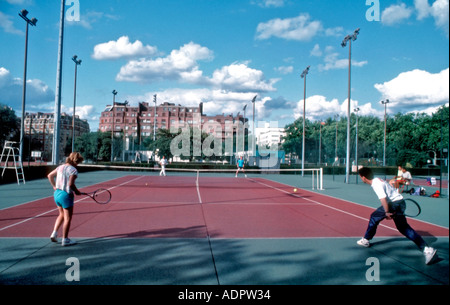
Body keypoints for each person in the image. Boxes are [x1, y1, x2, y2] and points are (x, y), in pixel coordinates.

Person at [357, 167, 437, 265]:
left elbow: (383, 199)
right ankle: (427, 249)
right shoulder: (378, 180)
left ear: (363, 177)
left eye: (360, 177)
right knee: (403, 228)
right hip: (400, 202)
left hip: (394, 204)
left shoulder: (376, 184)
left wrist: (386, 212)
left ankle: (366, 240)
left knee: (374, 216)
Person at [47, 152, 84, 247]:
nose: (78, 164)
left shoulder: (60, 167)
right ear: (76, 161)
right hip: (66, 195)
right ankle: (65, 239)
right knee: (68, 218)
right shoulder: (73, 170)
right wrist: (76, 191)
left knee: (61, 214)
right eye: (78, 162)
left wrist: (54, 186)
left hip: (57, 194)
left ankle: (54, 233)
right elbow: (71, 184)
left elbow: (49, 175)